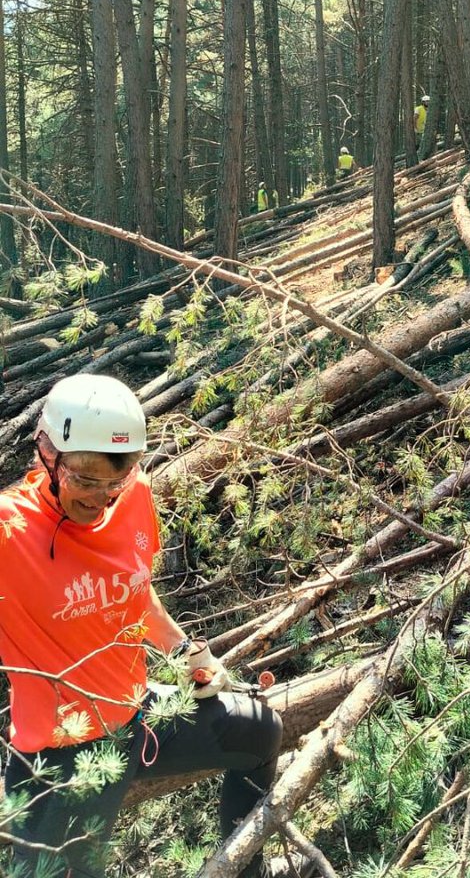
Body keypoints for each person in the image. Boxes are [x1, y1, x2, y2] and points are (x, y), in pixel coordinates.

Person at [0, 375, 283, 878]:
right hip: (59, 757)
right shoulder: (9, 531)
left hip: (140, 717)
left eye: (118, 478)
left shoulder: (134, 499)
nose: (102, 498)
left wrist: (185, 652)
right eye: (85, 479)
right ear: (46, 452)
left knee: (259, 732)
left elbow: (136, 590)